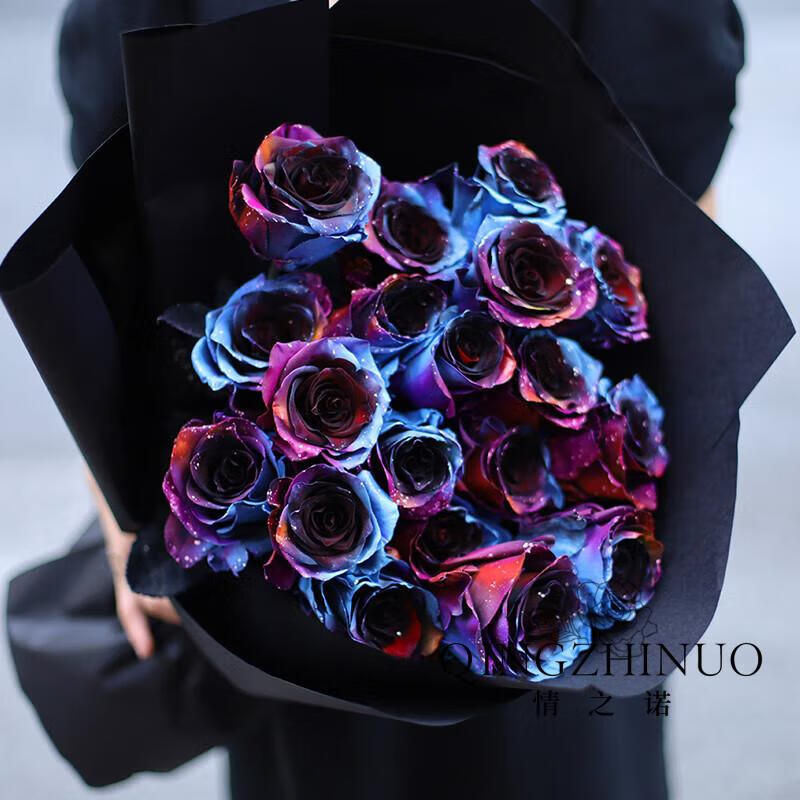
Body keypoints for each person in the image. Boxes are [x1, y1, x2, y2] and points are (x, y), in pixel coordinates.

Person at [60, 1, 744, 797]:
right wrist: (130, 515)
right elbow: (107, 214)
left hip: (549, 534)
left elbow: (675, 199)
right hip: (291, 585)